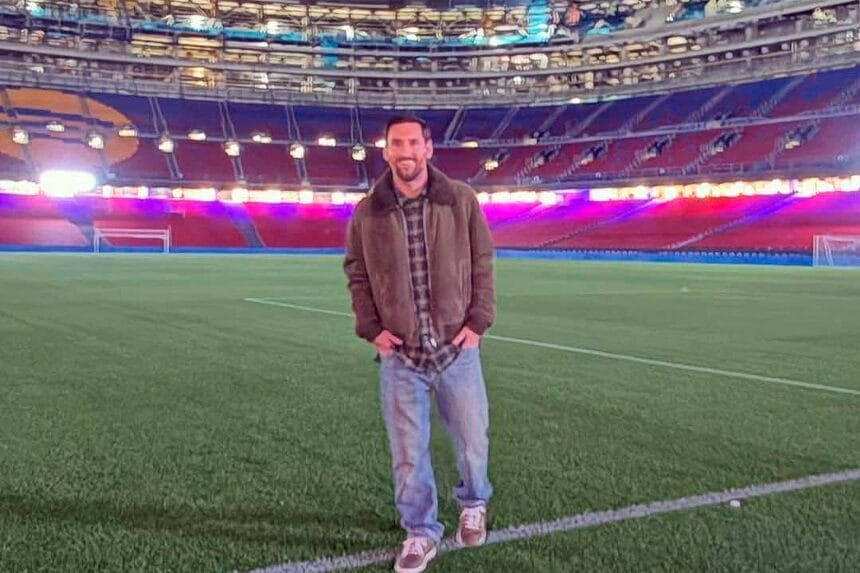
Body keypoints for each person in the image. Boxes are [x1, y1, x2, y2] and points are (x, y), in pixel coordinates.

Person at [343, 115, 495, 573]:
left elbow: (482, 261)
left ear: (428, 148)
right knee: (408, 455)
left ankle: (473, 504)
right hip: (401, 355)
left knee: (472, 442)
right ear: (386, 150)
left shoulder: (460, 200)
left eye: (413, 142)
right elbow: (356, 272)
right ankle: (420, 532)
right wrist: (371, 328)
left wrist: (479, 322)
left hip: (456, 348)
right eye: (397, 143)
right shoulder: (368, 211)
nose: (405, 151)